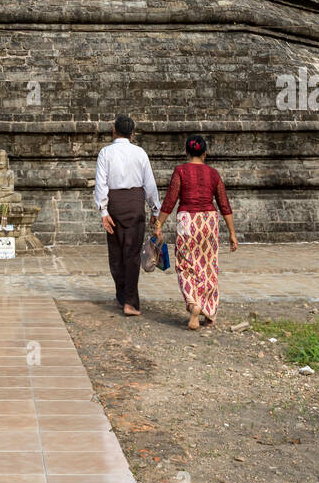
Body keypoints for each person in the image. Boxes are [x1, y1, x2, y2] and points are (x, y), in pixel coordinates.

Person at [153, 134, 238, 330]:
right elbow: (224, 204)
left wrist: (159, 224)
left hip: (188, 221)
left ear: (186, 152)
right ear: (205, 153)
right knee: (208, 266)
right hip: (209, 221)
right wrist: (232, 233)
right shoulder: (213, 174)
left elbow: (170, 200)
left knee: (185, 265)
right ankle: (209, 312)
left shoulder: (180, 171)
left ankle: (194, 305)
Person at [94, 114, 162, 317]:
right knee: (132, 254)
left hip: (114, 204)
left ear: (114, 130)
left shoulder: (105, 153)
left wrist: (103, 211)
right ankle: (129, 301)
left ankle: (122, 295)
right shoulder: (140, 153)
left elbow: (101, 184)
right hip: (134, 204)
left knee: (116, 254)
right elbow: (149, 184)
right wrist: (154, 209)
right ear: (132, 134)